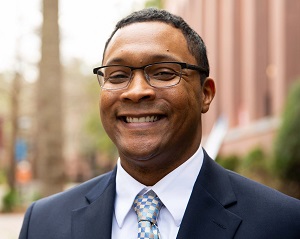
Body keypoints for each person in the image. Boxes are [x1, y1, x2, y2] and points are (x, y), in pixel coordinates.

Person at [19, 8, 300, 239]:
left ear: (205, 94)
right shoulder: (42, 224)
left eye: (164, 72)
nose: (136, 91)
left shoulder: (283, 223)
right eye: (117, 76)